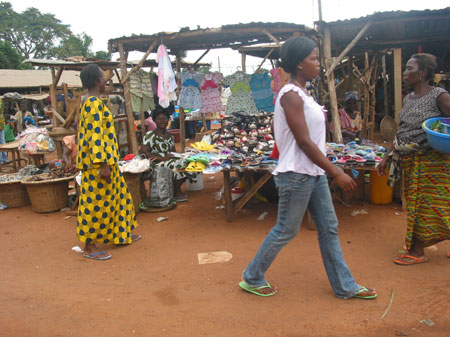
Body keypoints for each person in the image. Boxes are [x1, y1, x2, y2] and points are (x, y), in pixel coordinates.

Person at [238, 36, 377, 299]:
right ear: (299, 63)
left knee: (329, 227)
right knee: (286, 229)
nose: (318, 64)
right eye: (313, 59)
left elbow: (279, 129)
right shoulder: (291, 95)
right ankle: (253, 276)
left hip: (312, 172)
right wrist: (336, 170)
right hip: (296, 175)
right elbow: (303, 141)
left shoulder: (303, 94)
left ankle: (344, 286)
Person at [377, 53, 450, 265]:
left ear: (423, 72)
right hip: (410, 159)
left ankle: (417, 251)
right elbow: (403, 132)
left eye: (410, 68)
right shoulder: (408, 99)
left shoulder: (439, 95)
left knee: (428, 204)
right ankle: (416, 247)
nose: (406, 72)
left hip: (432, 161)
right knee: (425, 203)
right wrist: (387, 157)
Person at [77, 64, 139, 261]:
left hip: (107, 162)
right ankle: (89, 246)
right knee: (93, 205)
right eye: (104, 78)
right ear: (98, 81)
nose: (107, 80)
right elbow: (96, 137)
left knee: (120, 198)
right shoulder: (93, 104)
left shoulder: (89, 101)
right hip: (98, 165)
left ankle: (122, 233)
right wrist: (103, 165)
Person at [139, 107, 196, 202]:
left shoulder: (170, 136)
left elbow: (173, 152)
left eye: (164, 118)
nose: (162, 121)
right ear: (155, 121)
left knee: (191, 163)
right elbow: (144, 152)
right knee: (177, 165)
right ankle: (176, 191)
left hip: (168, 160)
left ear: (168, 120)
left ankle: (175, 188)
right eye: (158, 119)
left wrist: (181, 156)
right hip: (155, 162)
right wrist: (162, 158)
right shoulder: (150, 135)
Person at [0, 98, 8, 164]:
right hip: (1, 123)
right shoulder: (1, 100)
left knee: (2, 143)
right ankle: (5, 160)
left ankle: (1, 161)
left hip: (1, 124)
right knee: (3, 142)